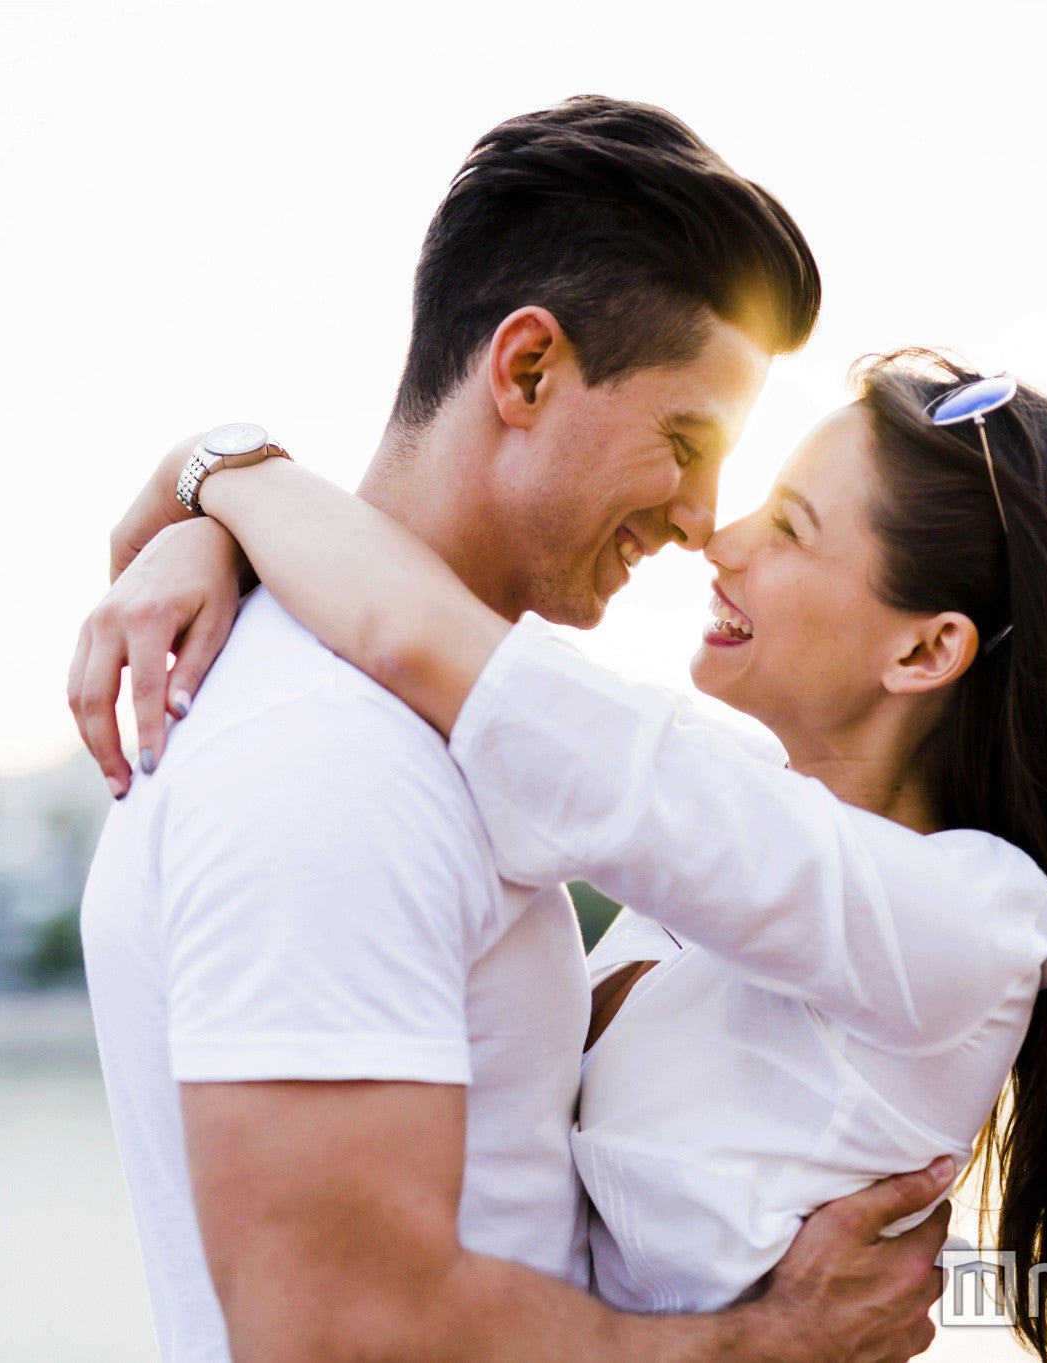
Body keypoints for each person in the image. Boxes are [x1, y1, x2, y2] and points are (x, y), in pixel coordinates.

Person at [74, 351, 1047, 1362]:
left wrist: (223, 471)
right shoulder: (724, 839)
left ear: (924, 652)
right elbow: (409, 656)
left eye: (791, 527)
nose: (720, 536)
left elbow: (425, 639)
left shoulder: (966, 926)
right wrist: (216, 539)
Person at [70, 97, 952, 1363]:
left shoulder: (395, 714)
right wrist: (776, 1340)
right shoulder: (329, 763)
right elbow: (342, 1332)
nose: (705, 518)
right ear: (527, 368)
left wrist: (217, 485)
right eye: (684, 441)